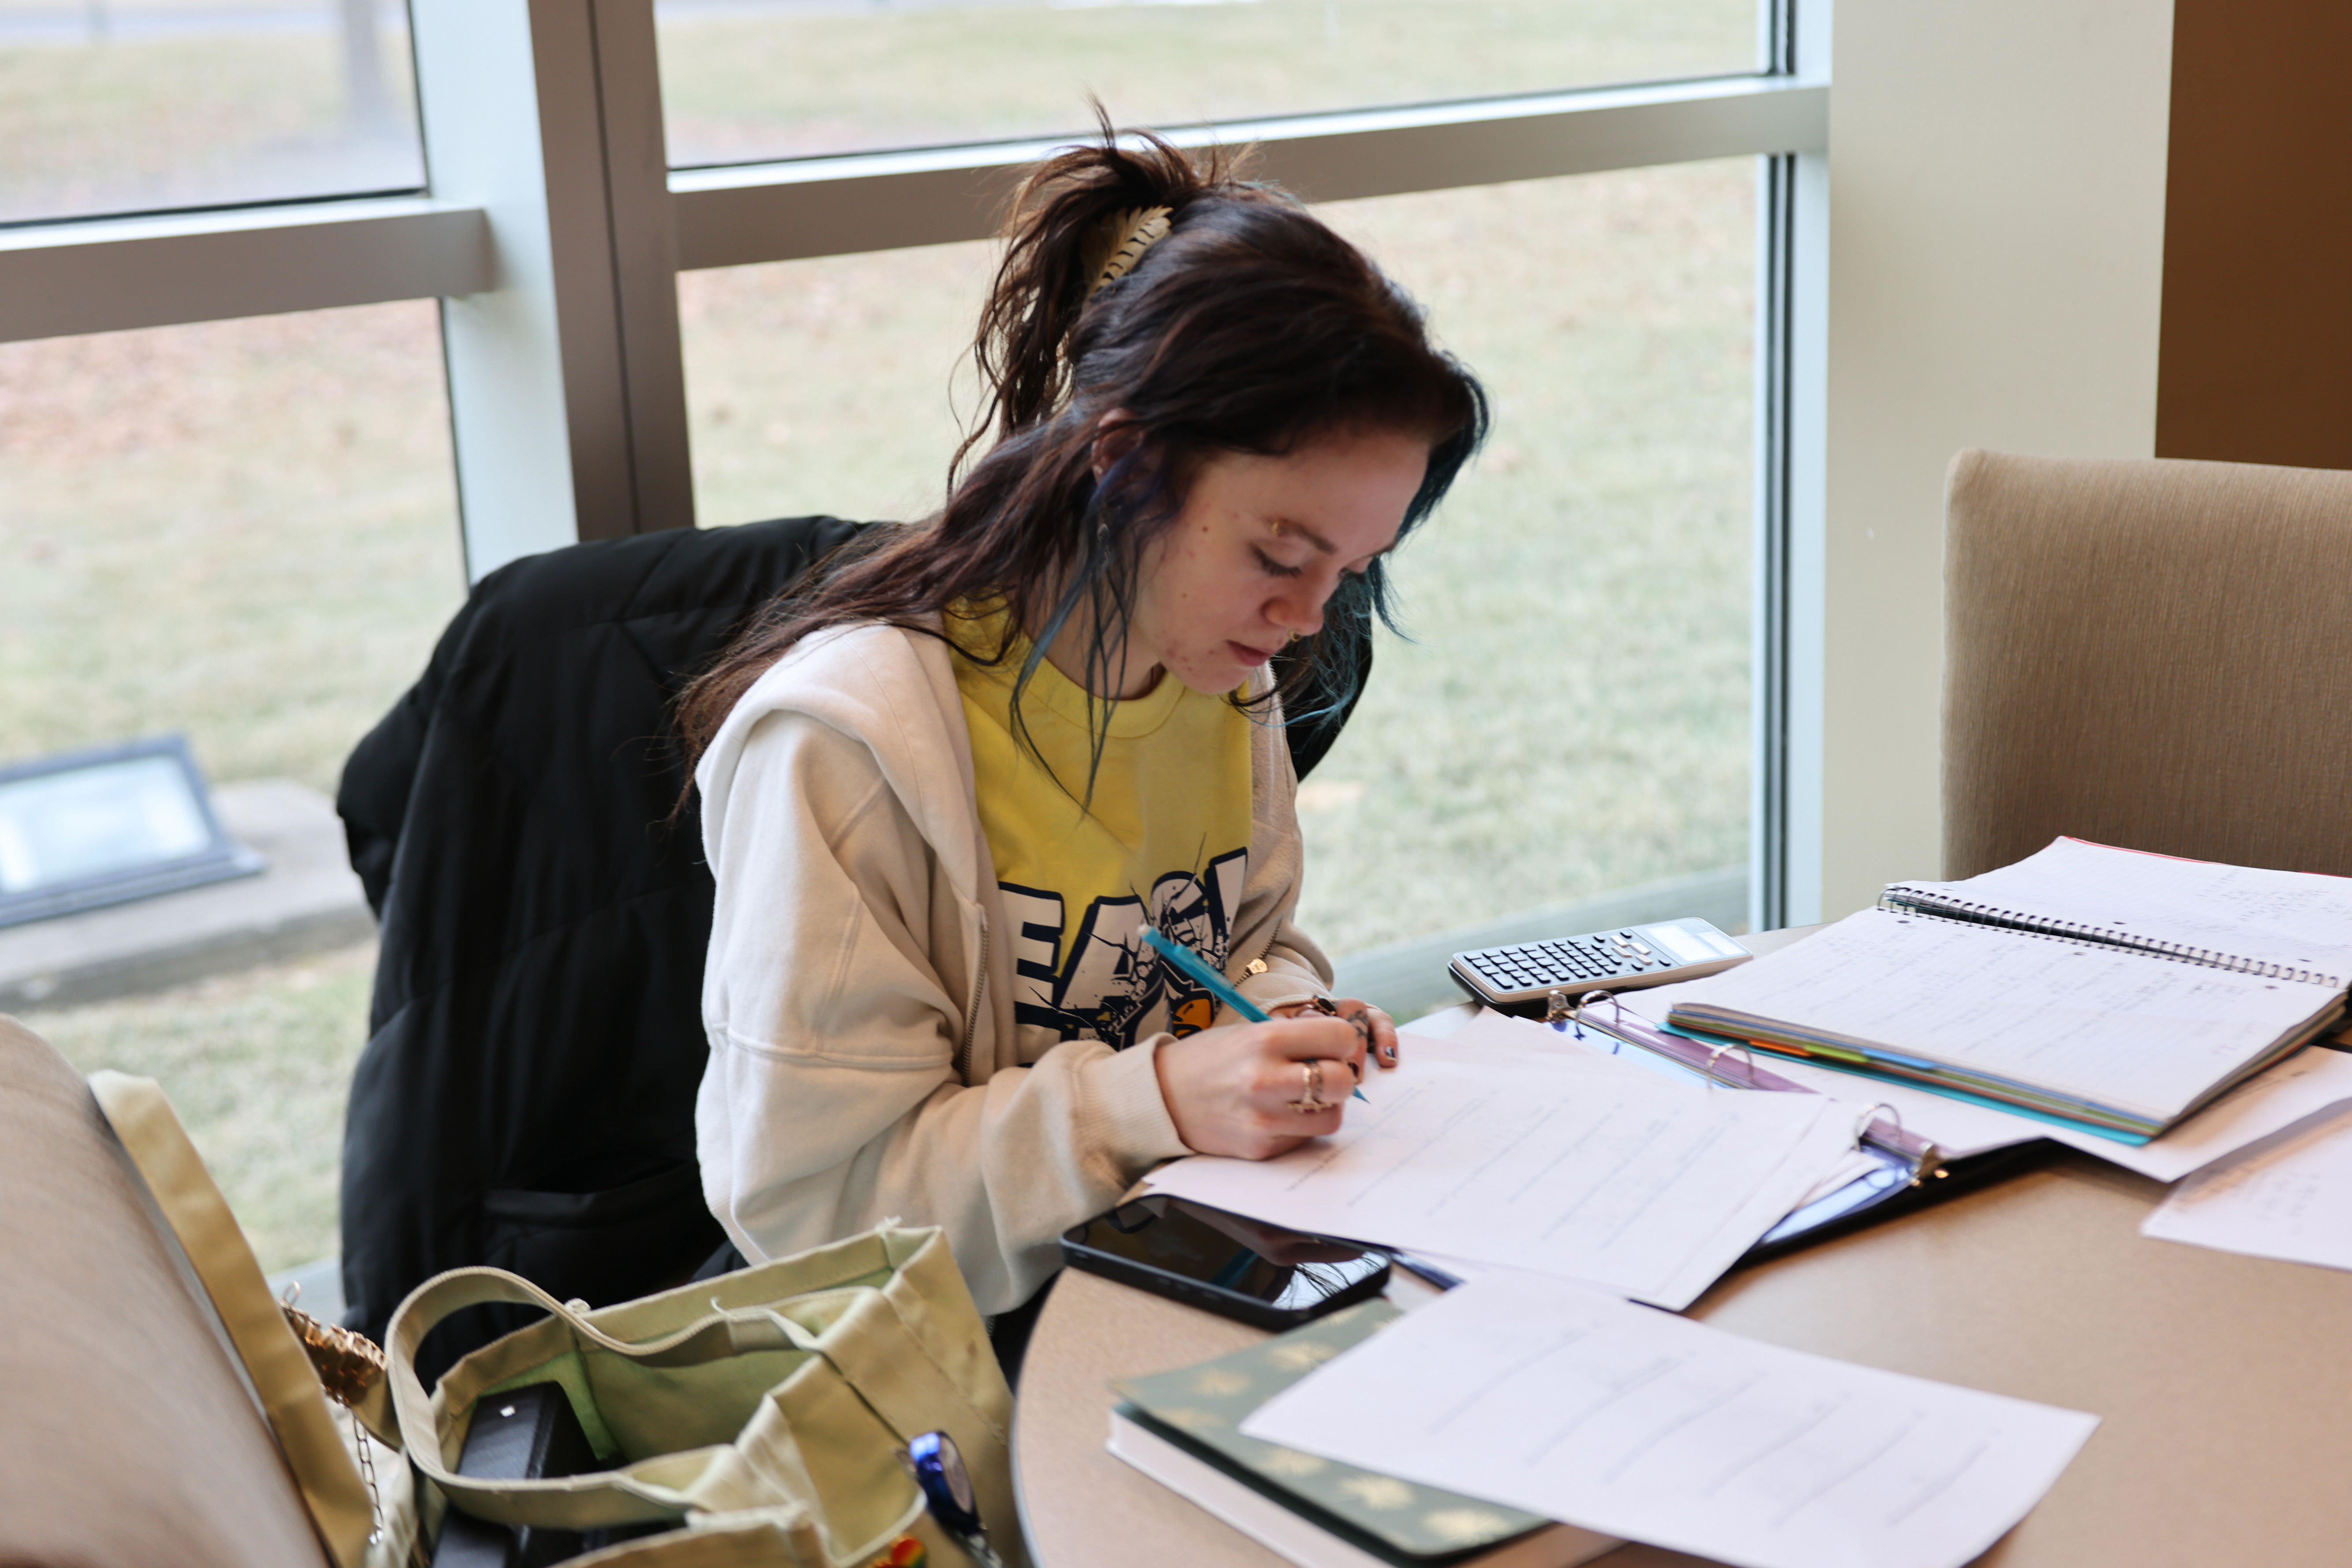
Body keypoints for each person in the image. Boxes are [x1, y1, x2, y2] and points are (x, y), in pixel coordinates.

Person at [673, 127, 1488, 1318]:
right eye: (1279, 552)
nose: (1309, 616)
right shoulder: (853, 744)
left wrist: (1284, 1016)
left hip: (1158, 1267)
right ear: (1124, 463)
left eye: (1349, 567)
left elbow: (1237, 946)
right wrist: (1153, 1098)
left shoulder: (1218, 669)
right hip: (935, 1356)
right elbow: (818, 1207)